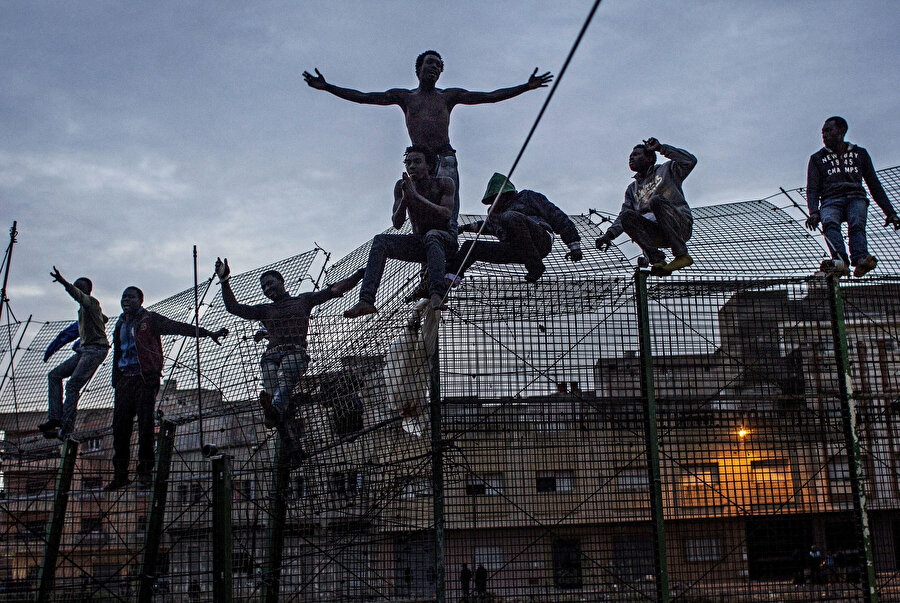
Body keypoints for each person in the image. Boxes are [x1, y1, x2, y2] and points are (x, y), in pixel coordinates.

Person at [303, 51, 552, 234]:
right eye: (429, 63)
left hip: (444, 157)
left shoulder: (448, 96)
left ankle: (450, 240)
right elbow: (365, 98)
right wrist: (327, 87)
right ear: (418, 69)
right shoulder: (405, 97)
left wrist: (525, 87)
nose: (433, 68)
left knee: (448, 208)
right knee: (419, 207)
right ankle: (425, 251)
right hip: (420, 161)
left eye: (437, 66)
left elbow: (488, 97)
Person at [215, 257, 364, 432]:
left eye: (270, 283)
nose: (267, 288)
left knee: (286, 375)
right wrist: (224, 280)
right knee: (272, 384)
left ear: (281, 281)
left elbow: (334, 289)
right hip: (270, 356)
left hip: (295, 352)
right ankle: (276, 411)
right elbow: (234, 308)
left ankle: (274, 412)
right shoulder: (264, 310)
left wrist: (360, 274)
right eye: (264, 287)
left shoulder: (303, 300)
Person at [106, 286, 228, 491]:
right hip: (125, 380)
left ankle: (144, 472)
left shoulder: (149, 320)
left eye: (131, 296)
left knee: (145, 424)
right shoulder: (120, 324)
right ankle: (120, 475)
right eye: (123, 296)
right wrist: (115, 380)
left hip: (145, 378)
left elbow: (178, 327)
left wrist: (207, 333)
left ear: (140, 300)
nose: (126, 300)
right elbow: (118, 352)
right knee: (120, 427)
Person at [344, 145, 457, 318]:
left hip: (445, 242)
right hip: (420, 243)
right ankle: (366, 300)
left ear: (428, 165)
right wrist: (405, 199)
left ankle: (437, 294)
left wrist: (416, 197)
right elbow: (397, 223)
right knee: (381, 240)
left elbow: (446, 215)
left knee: (432, 235)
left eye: (417, 162)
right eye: (408, 162)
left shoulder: (444, 183)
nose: (411, 166)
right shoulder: (402, 186)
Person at [804, 116, 899, 277]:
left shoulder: (859, 153)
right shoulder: (817, 158)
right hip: (830, 200)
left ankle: (860, 258)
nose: (825, 135)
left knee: (856, 224)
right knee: (829, 223)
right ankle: (840, 260)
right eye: (823, 132)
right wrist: (814, 211)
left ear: (841, 131)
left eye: (829, 130)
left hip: (855, 197)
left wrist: (890, 212)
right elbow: (812, 188)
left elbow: (874, 184)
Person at [454, 173, 582, 282]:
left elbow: (557, 217)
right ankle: (451, 278)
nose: (496, 203)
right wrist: (464, 228)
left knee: (510, 217)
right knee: (470, 247)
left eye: (497, 198)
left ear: (506, 194)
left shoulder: (527, 197)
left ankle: (535, 265)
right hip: (516, 248)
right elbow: (486, 227)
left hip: (539, 241)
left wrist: (574, 245)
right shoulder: (494, 213)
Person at [596, 138, 697, 275]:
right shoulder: (632, 189)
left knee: (656, 201)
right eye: (630, 156)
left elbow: (690, 161)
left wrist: (660, 148)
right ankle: (657, 260)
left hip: (678, 225)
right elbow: (622, 217)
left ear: (649, 158)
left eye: (637, 155)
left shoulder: (667, 170)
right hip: (656, 232)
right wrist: (609, 235)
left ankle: (681, 255)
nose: (631, 158)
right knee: (628, 216)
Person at [38, 268, 109, 440]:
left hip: (95, 350)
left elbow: (79, 296)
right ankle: (55, 417)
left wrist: (63, 281)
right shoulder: (86, 311)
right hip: (85, 350)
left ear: (86, 290)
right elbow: (103, 318)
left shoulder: (91, 302)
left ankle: (67, 428)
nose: (76, 291)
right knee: (54, 375)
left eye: (79, 288)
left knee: (72, 386)